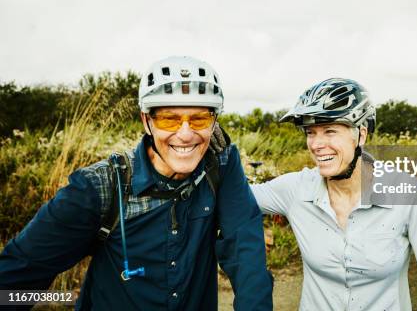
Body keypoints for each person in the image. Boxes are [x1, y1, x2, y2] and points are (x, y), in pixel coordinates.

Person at [0, 56, 273, 310]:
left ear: (214, 122)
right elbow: (16, 278)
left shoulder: (220, 166)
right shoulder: (100, 187)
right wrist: (63, 298)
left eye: (200, 117)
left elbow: (246, 254)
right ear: (146, 120)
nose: (186, 134)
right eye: (169, 118)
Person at [248, 78, 417, 310]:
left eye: (329, 131)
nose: (316, 144)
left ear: (361, 135)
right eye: (310, 132)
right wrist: (214, 149)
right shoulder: (295, 189)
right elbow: (231, 197)